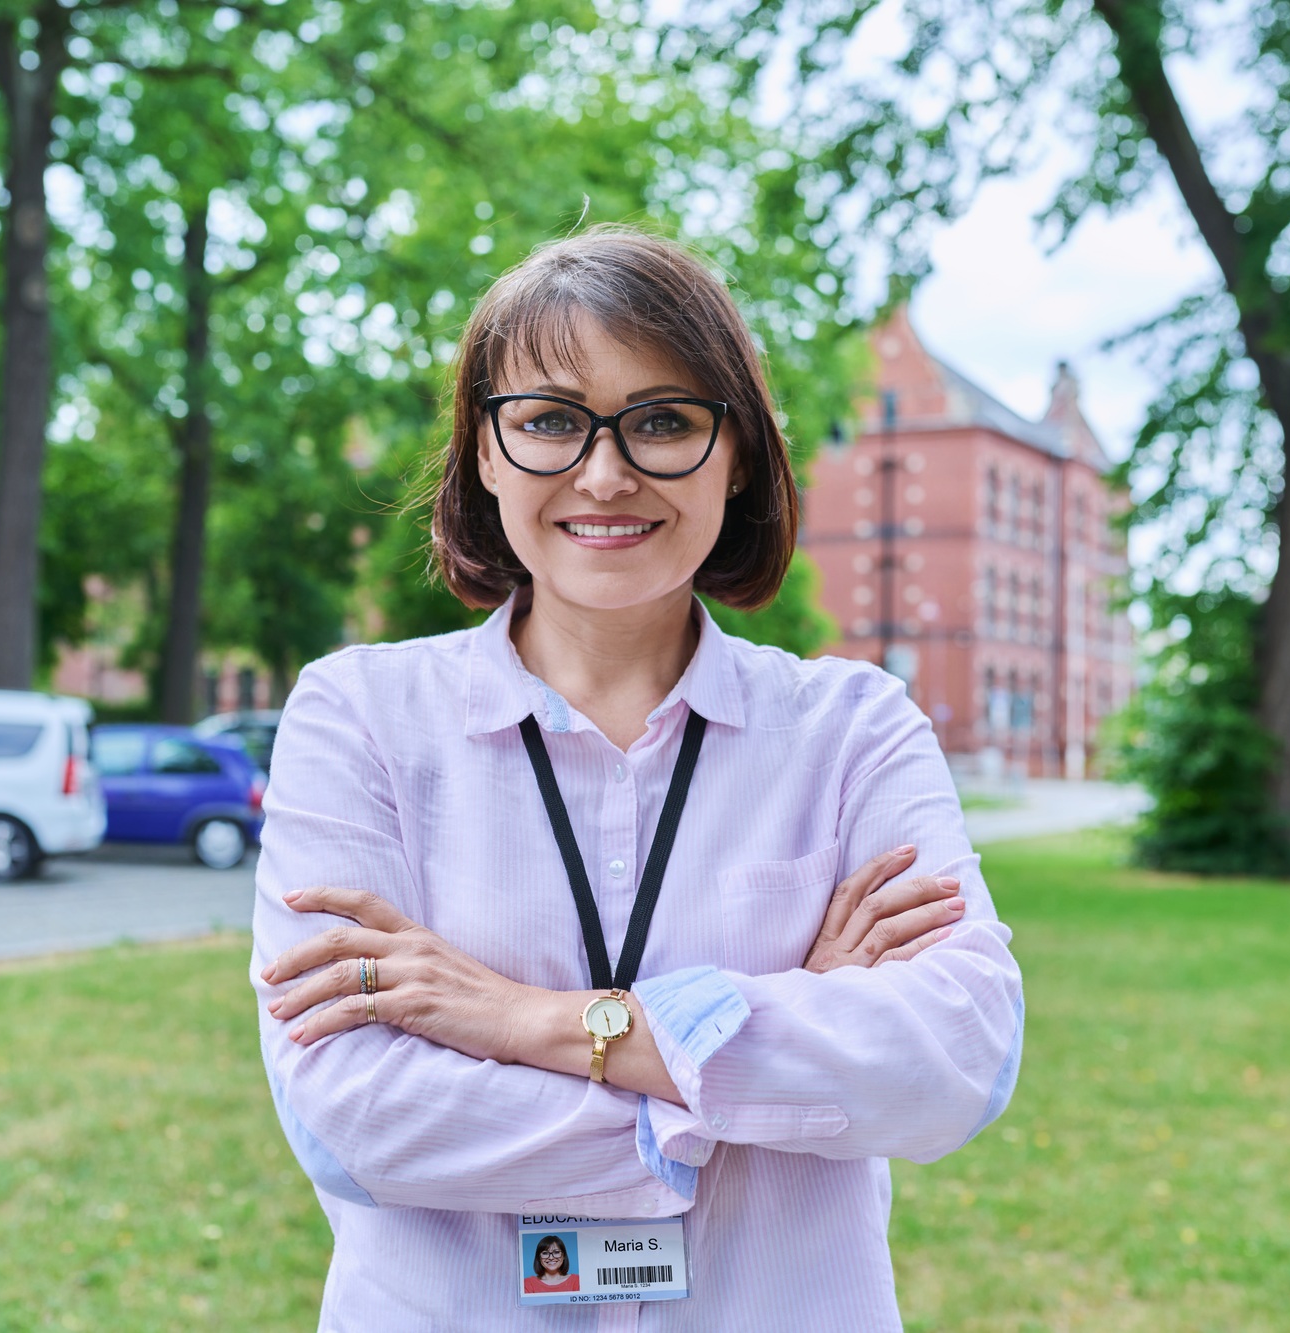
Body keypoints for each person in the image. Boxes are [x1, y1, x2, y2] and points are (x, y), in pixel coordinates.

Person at [251, 227, 1024, 1330]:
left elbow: (955, 1061)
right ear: (483, 450)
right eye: (549, 422)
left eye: (662, 420)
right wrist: (769, 1056)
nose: (603, 472)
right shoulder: (360, 718)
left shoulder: (850, 731)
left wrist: (517, 1018)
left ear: (738, 453)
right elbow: (354, 1118)